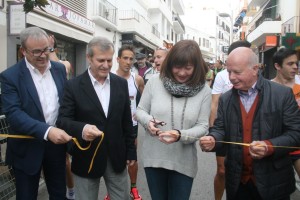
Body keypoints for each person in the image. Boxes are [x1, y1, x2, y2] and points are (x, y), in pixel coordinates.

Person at [200, 47, 300, 200]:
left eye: (237, 72)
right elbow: (220, 129)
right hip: (238, 182)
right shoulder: (226, 99)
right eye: (229, 72)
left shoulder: (282, 95)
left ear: (255, 69)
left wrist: (269, 146)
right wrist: (213, 139)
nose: (231, 77)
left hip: (274, 182)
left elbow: (296, 134)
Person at [56, 36, 137, 200]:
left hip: (116, 156)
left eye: (109, 60)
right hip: (86, 157)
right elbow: (63, 120)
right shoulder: (73, 86)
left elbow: (126, 122)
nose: (106, 65)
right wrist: (82, 129)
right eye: (101, 60)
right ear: (89, 58)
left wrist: (131, 152)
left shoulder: (121, 83)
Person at [0, 26, 72, 200]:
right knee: (26, 196)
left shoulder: (59, 69)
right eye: (37, 51)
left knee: (58, 194)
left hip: (56, 147)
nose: (43, 55)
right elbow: (14, 115)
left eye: (46, 49)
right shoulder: (10, 77)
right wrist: (47, 131)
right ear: (23, 51)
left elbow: (66, 104)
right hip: (26, 148)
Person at [136, 40, 211, 200]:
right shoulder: (155, 82)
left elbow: (203, 126)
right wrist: (148, 121)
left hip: (184, 162)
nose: (182, 72)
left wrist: (179, 134)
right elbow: (140, 110)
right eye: (177, 67)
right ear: (170, 64)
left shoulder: (204, 90)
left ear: (196, 67)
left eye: (188, 68)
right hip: (154, 158)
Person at [210, 40, 251, 200]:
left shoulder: (252, 73)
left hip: (244, 132)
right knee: (222, 171)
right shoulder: (221, 76)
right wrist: (213, 133)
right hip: (223, 130)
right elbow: (214, 103)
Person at [109, 45, 144, 200]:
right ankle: (113, 191)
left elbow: (144, 102)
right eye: (125, 58)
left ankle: (133, 188)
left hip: (132, 125)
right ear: (118, 59)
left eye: (131, 59)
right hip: (113, 125)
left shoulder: (137, 79)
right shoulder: (108, 77)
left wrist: (140, 115)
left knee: (132, 157)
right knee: (114, 157)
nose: (128, 62)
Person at [48, 34, 75, 200]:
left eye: (48, 49)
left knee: (65, 162)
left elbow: (62, 66)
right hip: (45, 127)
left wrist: (50, 48)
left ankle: (71, 192)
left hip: (61, 123)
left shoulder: (62, 65)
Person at [271, 47, 300, 184]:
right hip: (275, 146)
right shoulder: (267, 88)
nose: (295, 67)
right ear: (277, 66)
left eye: (296, 63)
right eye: (290, 64)